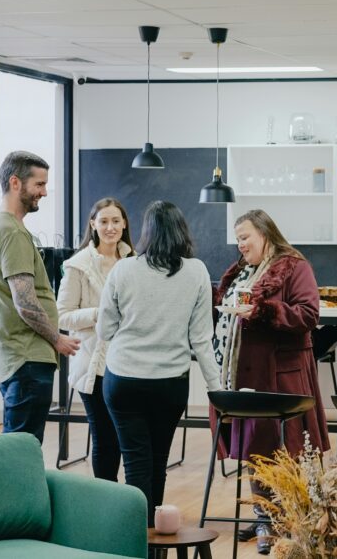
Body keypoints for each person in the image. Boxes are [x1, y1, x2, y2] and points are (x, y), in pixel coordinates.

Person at [212, 209, 330, 554]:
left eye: (245, 236)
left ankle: (289, 518)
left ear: (266, 233)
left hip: (282, 375)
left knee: (287, 448)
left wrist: (264, 311)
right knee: (254, 447)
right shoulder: (240, 273)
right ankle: (265, 514)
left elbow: (309, 314)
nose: (241, 244)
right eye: (238, 239)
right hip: (245, 373)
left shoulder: (294, 267)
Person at [98, 200, 221, 526]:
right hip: (170, 383)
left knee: (136, 460)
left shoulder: (123, 269)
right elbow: (201, 339)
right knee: (157, 460)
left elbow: (104, 329)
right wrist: (217, 389)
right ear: (182, 230)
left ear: (146, 232)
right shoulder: (197, 271)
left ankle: (137, 538)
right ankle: (152, 539)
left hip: (123, 379)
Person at [0, 151, 79, 443]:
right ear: (15, 182)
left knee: (19, 448)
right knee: (20, 452)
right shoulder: (11, 232)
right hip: (27, 359)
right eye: (39, 184)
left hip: (22, 359)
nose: (44, 192)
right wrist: (57, 338)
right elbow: (25, 301)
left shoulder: (3, 227)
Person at [56, 197, 134, 481]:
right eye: (104, 221)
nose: (110, 227)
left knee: (127, 438)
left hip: (128, 362)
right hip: (94, 364)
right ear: (93, 225)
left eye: (115, 221)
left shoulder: (134, 262)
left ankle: (127, 502)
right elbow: (61, 315)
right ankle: (106, 500)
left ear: (124, 224)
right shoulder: (78, 265)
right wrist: (100, 314)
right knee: (104, 437)